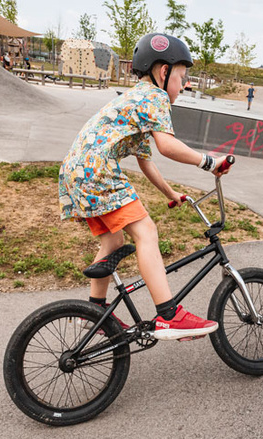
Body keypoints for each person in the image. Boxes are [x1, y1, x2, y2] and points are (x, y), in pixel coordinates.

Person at [58, 33, 231, 341]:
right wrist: (209, 162)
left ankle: (94, 312)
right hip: (97, 171)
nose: (183, 85)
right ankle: (169, 315)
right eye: (181, 77)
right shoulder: (155, 97)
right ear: (163, 73)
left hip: (76, 172)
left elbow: (146, 161)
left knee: (112, 243)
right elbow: (167, 146)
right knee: (146, 231)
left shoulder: (135, 99)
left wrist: (170, 194)